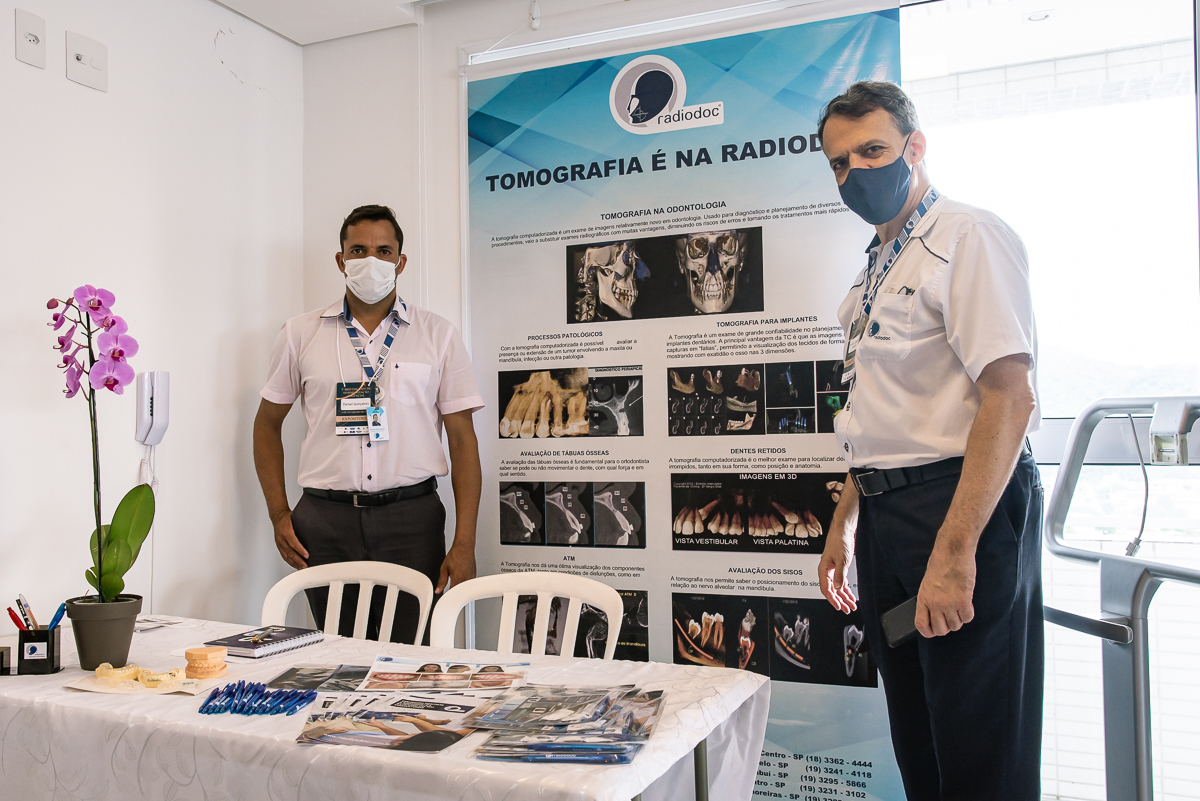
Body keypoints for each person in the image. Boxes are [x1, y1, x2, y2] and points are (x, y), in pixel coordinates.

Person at [814, 82, 1042, 801]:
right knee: (920, 743)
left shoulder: (967, 237)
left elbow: (1011, 396)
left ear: (915, 146)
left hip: (958, 506)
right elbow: (878, 410)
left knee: (980, 754)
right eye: (840, 162)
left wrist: (955, 550)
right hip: (887, 517)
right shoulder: (875, 268)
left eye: (872, 151)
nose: (856, 172)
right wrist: (845, 523)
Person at [254, 204, 483, 643]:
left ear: (401, 262)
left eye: (384, 251)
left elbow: (463, 441)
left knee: (412, 658)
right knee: (336, 655)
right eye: (358, 250)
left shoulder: (439, 335)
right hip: (325, 522)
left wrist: (465, 543)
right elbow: (266, 424)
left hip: (411, 521)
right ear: (341, 260)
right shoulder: (300, 333)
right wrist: (280, 512)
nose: (371, 261)